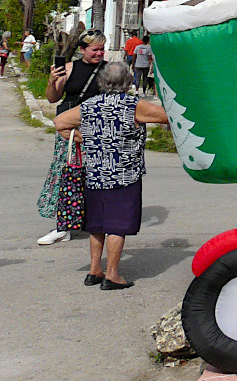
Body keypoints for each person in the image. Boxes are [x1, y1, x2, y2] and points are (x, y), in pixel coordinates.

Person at [53, 60, 168, 289]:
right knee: (117, 225)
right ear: (127, 82)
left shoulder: (90, 104)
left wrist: (85, 140)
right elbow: (167, 117)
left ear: (103, 82)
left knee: (97, 224)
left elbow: (60, 123)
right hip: (125, 175)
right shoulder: (133, 105)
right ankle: (112, 274)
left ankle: (94, 270)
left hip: (95, 173)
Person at [38, 31, 107, 246]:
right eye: (94, 49)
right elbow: (52, 98)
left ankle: (93, 220)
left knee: (95, 176)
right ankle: (63, 227)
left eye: (102, 49)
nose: (99, 53)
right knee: (65, 174)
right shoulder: (68, 68)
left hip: (96, 130)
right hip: (68, 130)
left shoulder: (109, 70)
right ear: (82, 49)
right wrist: (52, 81)